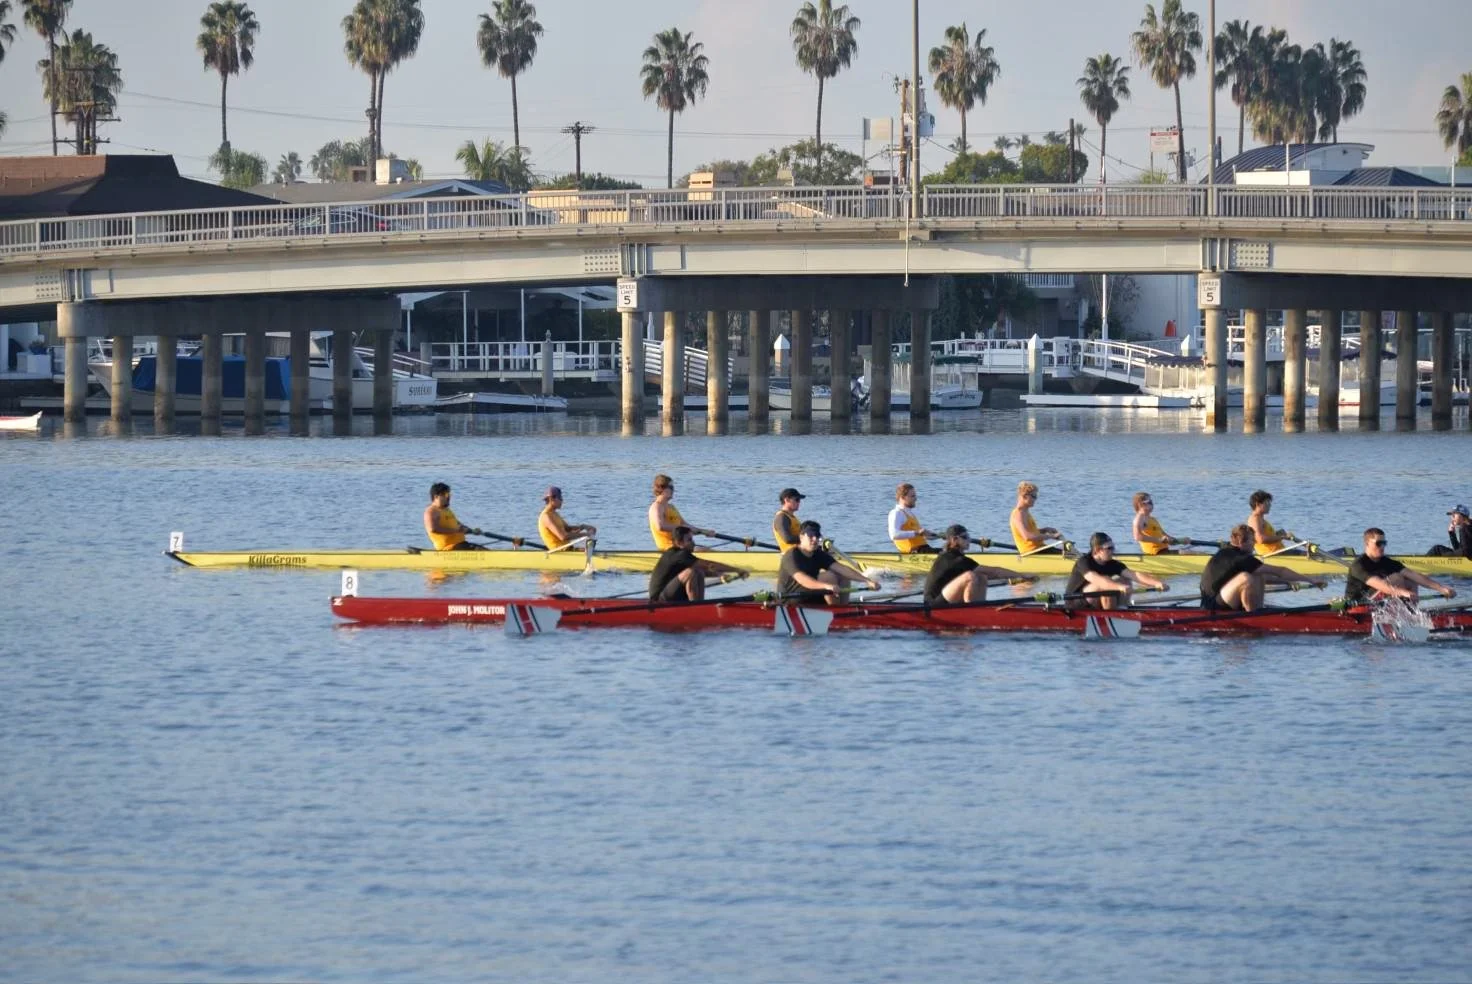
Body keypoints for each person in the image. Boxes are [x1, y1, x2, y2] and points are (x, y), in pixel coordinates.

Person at [1200, 524, 1327, 611]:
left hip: (1221, 597)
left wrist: (1288, 581)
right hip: (1212, 605)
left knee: (1258, 573)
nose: (1255, 544)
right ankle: (1252, 616)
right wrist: (1311, 580)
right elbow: (1280, 571)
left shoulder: (1229, 552)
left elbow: (1269, 576)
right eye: (1252, 541)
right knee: (1246, 578)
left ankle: (1258, 610)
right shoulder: (1240, 558)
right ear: (1241, 543)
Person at [1345, 528, 1456, 605]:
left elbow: (1414, 575)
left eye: (1384, 543)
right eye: (1379, 543)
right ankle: (1402, 612)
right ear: (1367, 544)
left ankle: (1411, 612)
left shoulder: (1387, 562)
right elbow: (1382, 586)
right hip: (1358, 605)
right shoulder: (1358, 565)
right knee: (1397, 578)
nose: (1382, 547)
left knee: (1411, 580)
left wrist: (1441, 589)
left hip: (1377, 601)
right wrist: (1404, 592)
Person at [778, 520, 879, 604]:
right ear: (801, 537)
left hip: (812, 596)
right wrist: (827, 586)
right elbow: (802, 580)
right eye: (811, 535)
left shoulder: (818, 553)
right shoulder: (791, 555)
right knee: (828, 577)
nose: (815, 539)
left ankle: (842, 609)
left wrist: (867, 581)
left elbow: (841, 568)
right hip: (791, 600)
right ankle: (835, 612)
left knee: (842, 575)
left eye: (817, 536)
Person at [923, 525, 1028, 605]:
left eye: (968, 537)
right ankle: (971, 611)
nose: (969, 540)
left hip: (946, 596)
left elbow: (992, 574)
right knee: (970, 576)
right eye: (964, 537)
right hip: (932, 604)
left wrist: (1017, 578)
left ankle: (979, 609)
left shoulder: (959, 557)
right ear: (954, 540)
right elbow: (995, 572)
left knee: (981, 576)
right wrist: (1023, 576)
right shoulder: (953, 558)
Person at [1065, 532, 1168, 610]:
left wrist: (1157, 583)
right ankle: (1112, 617)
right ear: (1097, 550)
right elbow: (1097, 580)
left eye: (1113, 547)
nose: (1113, 551)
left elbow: (1134, 575)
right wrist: (1118, 587)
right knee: (1106, 584)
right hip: (1074, 603)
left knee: (1125, 580)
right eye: (1109, 548)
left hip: (1094, 599)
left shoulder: (1113, 563)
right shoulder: (1084, 562)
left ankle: (1122, 610)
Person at [648, 525, 747, 602]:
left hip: (672, 593)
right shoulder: (678, 555)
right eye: (689, 540)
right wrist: (737, 570)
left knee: (698, 571)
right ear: (679, 543)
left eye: (692, 539)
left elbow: (705, 570)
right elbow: (709, 564)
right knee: (691, 572)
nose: (693, 543)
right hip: (659, 600)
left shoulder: (683, 555)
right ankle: (696, 606)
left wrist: (720, 575)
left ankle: (699, 604)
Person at [648, 474, 715, 550]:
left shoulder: (671, 507)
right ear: (661, 488)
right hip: (668, 549)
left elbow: (684, 524)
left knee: (708, 550)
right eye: (671, 487)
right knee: (704, 550)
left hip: (681, 547)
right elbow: (660, 526)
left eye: (673, 487)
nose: (673, 490)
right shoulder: (656, 507)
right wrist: (683, 528)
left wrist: (703, 531)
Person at [423, 482, 485, 551]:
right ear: (436, 496)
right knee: (481, 550)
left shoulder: (447, 510)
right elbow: (433, 529)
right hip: (448, 548)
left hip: (460, 545)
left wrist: (472, 531)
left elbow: (459, 526)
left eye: (449, 494)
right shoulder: (431, 511)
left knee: (482, 549)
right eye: (446, 494)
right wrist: (456, 530)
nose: (448, 497)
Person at [1010, 481, 1062, 554]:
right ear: (1025, 496)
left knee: (1072, 554)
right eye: (1034, 496)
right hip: (1031, 551)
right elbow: (1027, 536)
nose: (1035, 499)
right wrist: (1051, 536)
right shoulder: (1018, 514)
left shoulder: (1025, 512)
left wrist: (1044, 530)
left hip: (1039, 548)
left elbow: (1031, 532)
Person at [888, 483, 940, 554]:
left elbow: (920, 536)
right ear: (902, 497)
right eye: (912, 496)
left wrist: (940, 536)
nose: (916, 498)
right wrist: (917, 532)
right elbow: (894, 535)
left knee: (955, 551)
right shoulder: (897, 513)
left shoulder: (911, 514)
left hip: (924, 549)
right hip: (914, 552)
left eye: (915, 496)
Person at [1246, 489, 1296, 557]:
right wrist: (1282, 537)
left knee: (1310, 553)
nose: (1270, 505)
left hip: (1278, 552)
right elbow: (1260, 539)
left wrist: (1277, 534)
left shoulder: (1260, 519)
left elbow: (1265, 535)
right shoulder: (1255, 519)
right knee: (1309, 555)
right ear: (1258, 504)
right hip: (1272, 555)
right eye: (1267, 503)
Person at [773, 488, 805, 552]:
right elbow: (787, 539)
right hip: (791, 555)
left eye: (799, 500)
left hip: (800, 551)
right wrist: (808, 539)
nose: (799, 502)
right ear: (786, 500)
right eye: (797, 500)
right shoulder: (781, 517)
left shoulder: (792, 517)